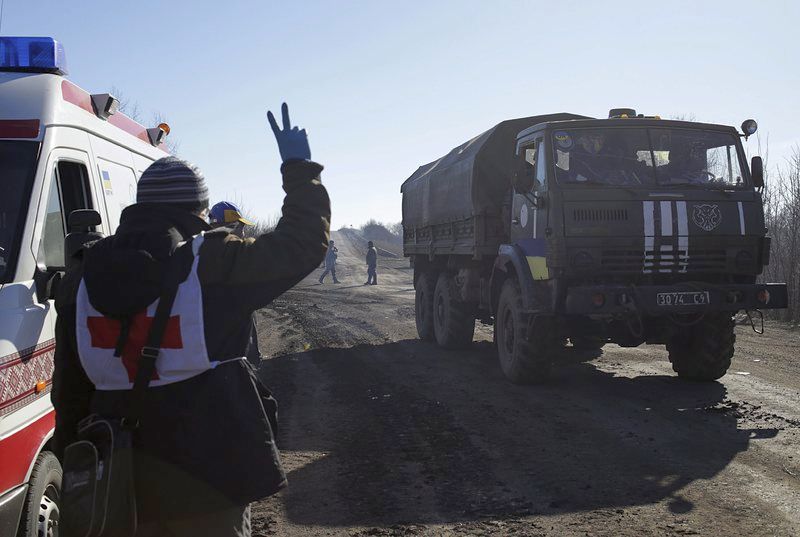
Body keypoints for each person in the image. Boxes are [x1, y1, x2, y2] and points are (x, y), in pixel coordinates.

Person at [52, 103, 330, 536]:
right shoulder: (212, 263)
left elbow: (69, 391)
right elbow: (302, 244)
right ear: (198, 210)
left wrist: (81, 464)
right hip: (209, 480)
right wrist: (299, 170)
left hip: (117, 480)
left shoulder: (81, 276)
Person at [208, 200, 262, 367]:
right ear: (230, 227)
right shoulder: (232, 262)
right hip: (232, 363)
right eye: (241, 227)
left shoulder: (198, 257)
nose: (244, 233)